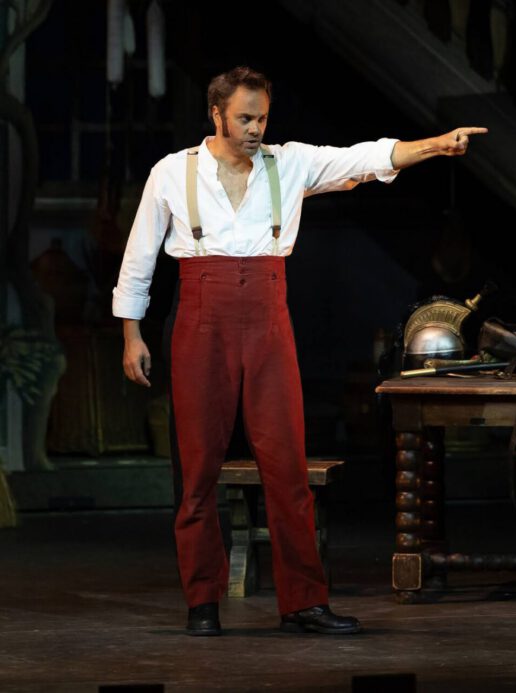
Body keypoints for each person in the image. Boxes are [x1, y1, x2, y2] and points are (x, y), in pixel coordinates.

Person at [113, 66, 486, 636]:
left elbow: (366, 158)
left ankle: (303, 603)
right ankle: (203, 602)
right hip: (200, 316)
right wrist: (132, 334)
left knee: (285, 466)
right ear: (216, 115)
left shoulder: (288, 164)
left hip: (267, 315)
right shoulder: (173, 173)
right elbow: (139, 258)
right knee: (196, 469)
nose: (256, 128)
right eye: (244, 118)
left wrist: (436, 145)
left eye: (262, 117)